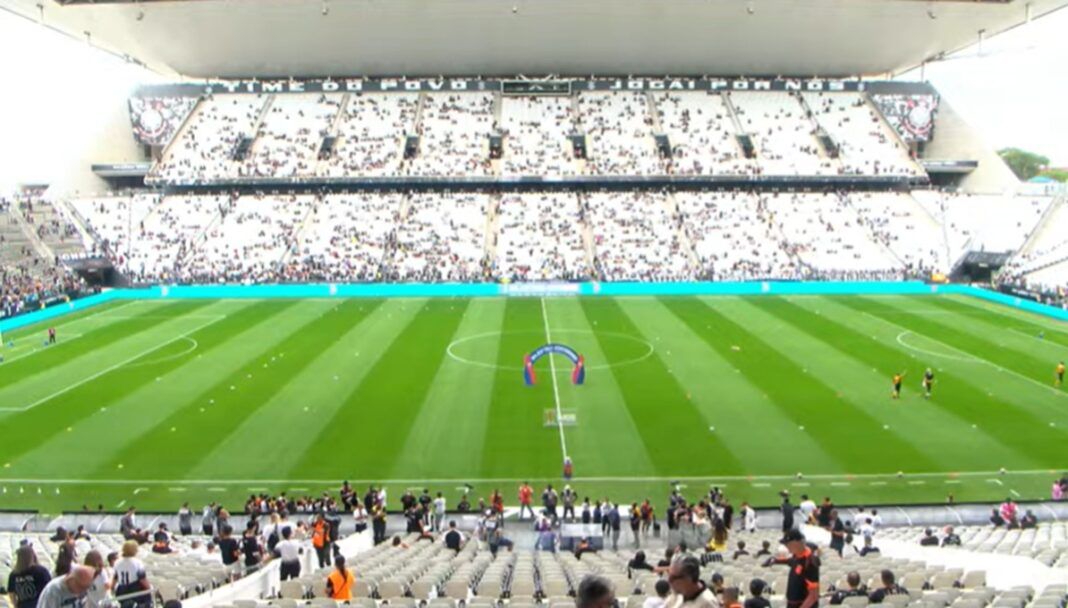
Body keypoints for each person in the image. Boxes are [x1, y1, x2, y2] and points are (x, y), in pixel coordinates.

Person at [763, 529, 819, 608]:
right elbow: (791, 561)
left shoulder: (810, 562)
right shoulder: (797, 555)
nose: (786, 547)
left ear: (795, 542)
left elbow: (813, 596)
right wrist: (775, 560)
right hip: (791, 603)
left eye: (787, 544)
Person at [112, 541, 150, 608]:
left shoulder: (117, 562)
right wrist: (149, 588)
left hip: (121, 590)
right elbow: (142, 579)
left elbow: (115, 578)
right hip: (135, 590)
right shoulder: (137, 563)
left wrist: (112, 589)